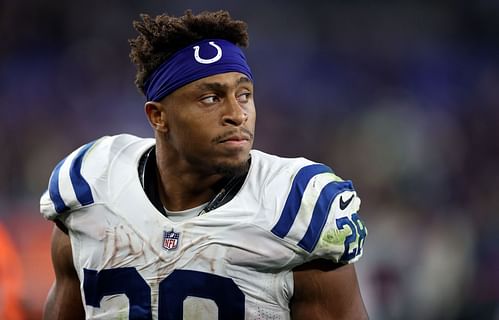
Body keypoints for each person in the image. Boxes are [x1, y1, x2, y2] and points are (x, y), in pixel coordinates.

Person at [40, 10, 368, 320]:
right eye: (210, 98)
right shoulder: (91, 184)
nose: (237, 114)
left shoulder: (298, 207)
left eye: (244, 95)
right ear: (158, 116)